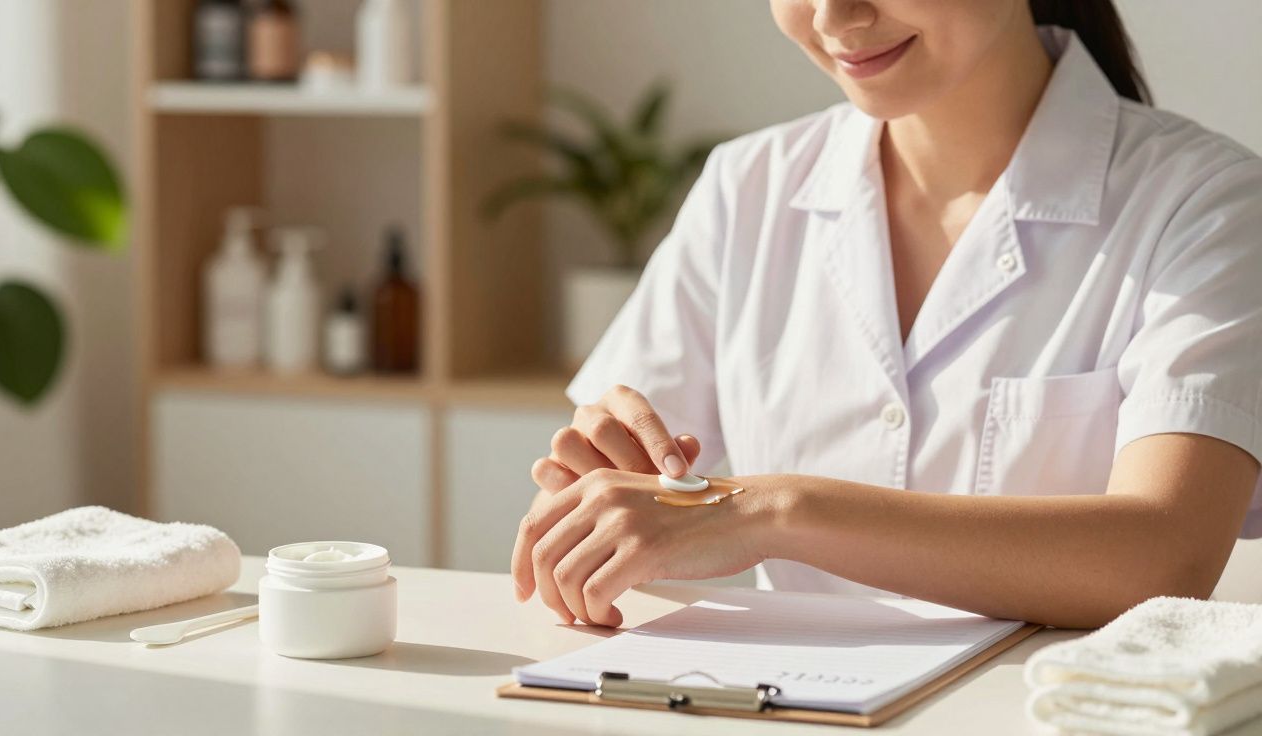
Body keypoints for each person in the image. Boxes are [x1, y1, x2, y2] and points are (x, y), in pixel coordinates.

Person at [511, 0, 1262, 629]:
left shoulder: (1207, 206)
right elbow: (581, 508)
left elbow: (1163, 558)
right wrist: (596, 492)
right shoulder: (747, 189)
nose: (835, 15)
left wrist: (770, 510)